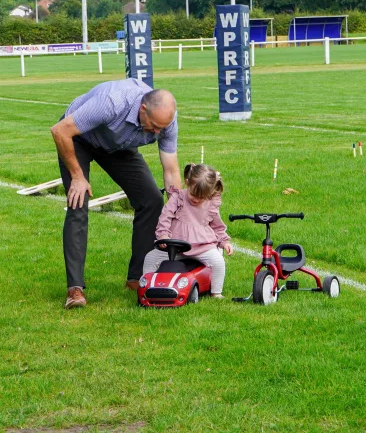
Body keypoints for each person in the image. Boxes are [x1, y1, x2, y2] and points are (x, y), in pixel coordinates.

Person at [51, 79, 181, 309]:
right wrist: (78, 177)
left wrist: (179, 205)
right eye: (154, 126)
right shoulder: (112, 102)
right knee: (77, 201)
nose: (158, 132)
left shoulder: (166, 121)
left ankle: (137, 278)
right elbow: (60, 131)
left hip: (117, 146)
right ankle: (75, 288)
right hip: (78, 139)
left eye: (162, 128)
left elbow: (170, 169)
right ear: (143, 109)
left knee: (151, 200)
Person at [143, 163, 233, 298]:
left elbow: (217, 226)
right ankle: (146, 287)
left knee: (218, 262)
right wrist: (163, 235)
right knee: (150, 258)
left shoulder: (211, 204)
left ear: (209, 194)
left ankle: (216, 292)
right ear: (187, 183)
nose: (196, 199)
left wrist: (224, 241)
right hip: (175, 246)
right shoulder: (178, 198)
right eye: (193, 194)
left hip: (202, 246)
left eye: (201, 197)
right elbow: (165, 217)